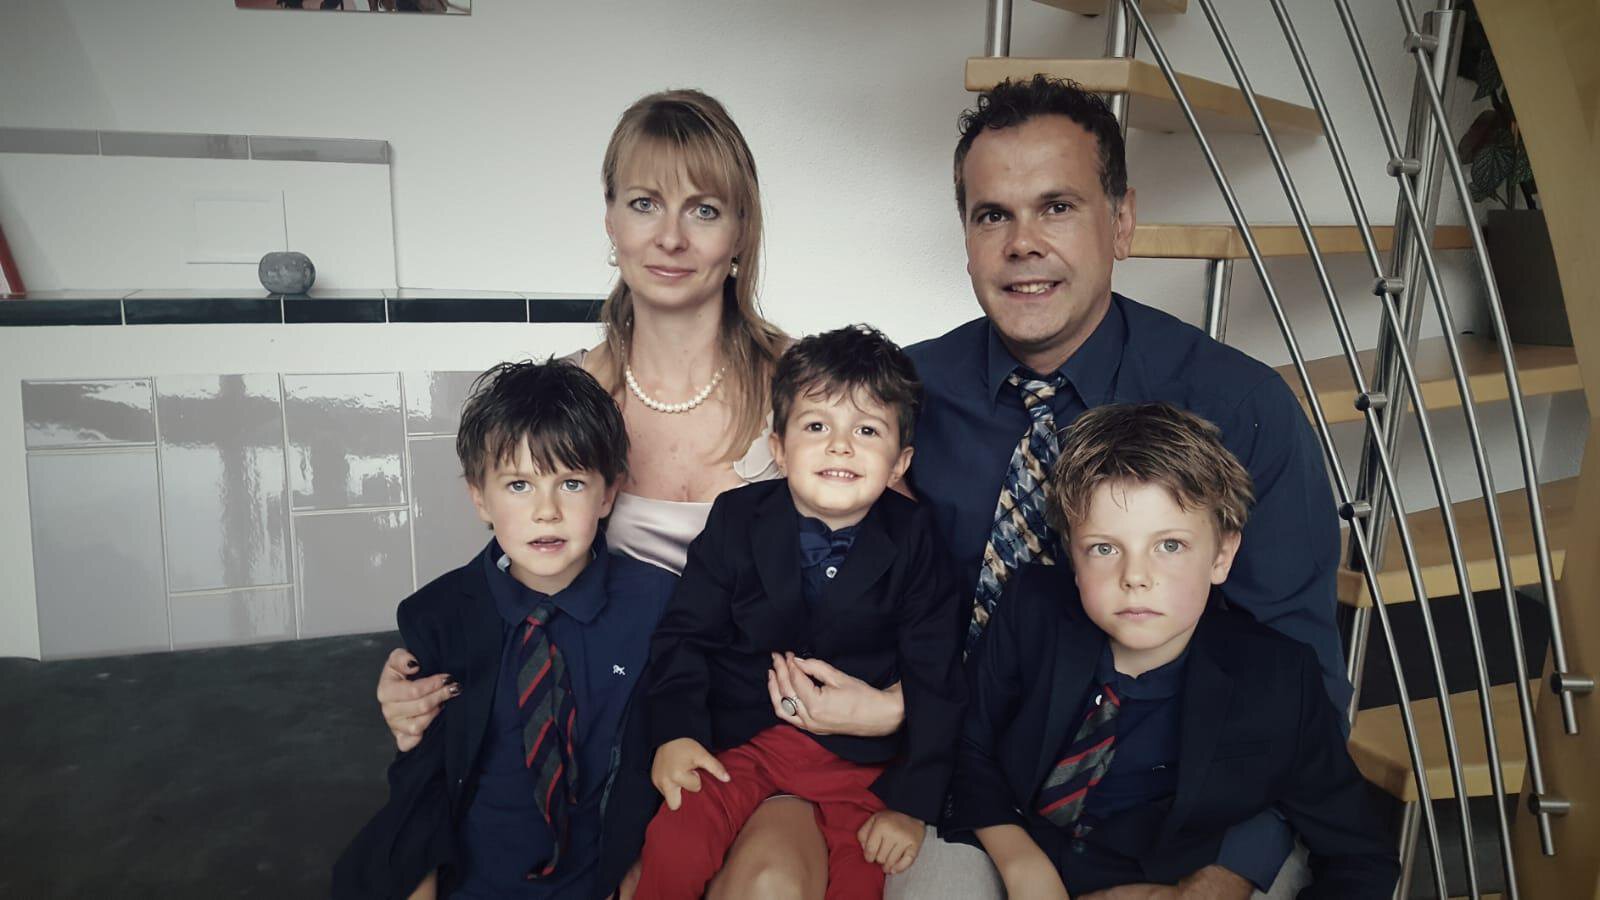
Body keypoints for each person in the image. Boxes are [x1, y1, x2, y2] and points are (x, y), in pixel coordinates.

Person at [375, 90, 850, 898]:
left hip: (769, 729)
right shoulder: (568, 395)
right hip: (609, 739)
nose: (671, 237)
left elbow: (890, 564)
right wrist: (419, 675)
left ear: (742, 232)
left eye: (704, 210)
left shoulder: (810, 392)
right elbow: (515, 572)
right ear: (610, 220)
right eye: (644, 203)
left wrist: (890, 702)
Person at [946, 402, 1398, 899]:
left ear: (1221, 556)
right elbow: (969, 746)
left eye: (1170, 546)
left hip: (1164, 873)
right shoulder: (1033, 608)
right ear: (1072, 556)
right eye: (1104, 548)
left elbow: (1360, 857)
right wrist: (1021, 862)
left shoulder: (1278, 678)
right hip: (1019, 846)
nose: (1135, 577)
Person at [618, 326, 966, 899]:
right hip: (739, 743)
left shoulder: (916, 538)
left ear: (900, 462)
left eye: (867, 430)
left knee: (862, 877)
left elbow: (936, 673)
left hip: (856, 764)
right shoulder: (736, 518)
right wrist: (676, 734)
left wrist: (910, 804)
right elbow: (685, 637)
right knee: (676, 843)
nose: (840, 446)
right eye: (816, 426)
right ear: (778, 448)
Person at [332, 360, 679, 900]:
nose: (547, 511)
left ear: (608, 495)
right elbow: (421, 782)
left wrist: (646, 860)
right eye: (519, 485)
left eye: (571, 483)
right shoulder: (440, 615)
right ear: (480, 499)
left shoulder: (656, 604)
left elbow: (679, 734)